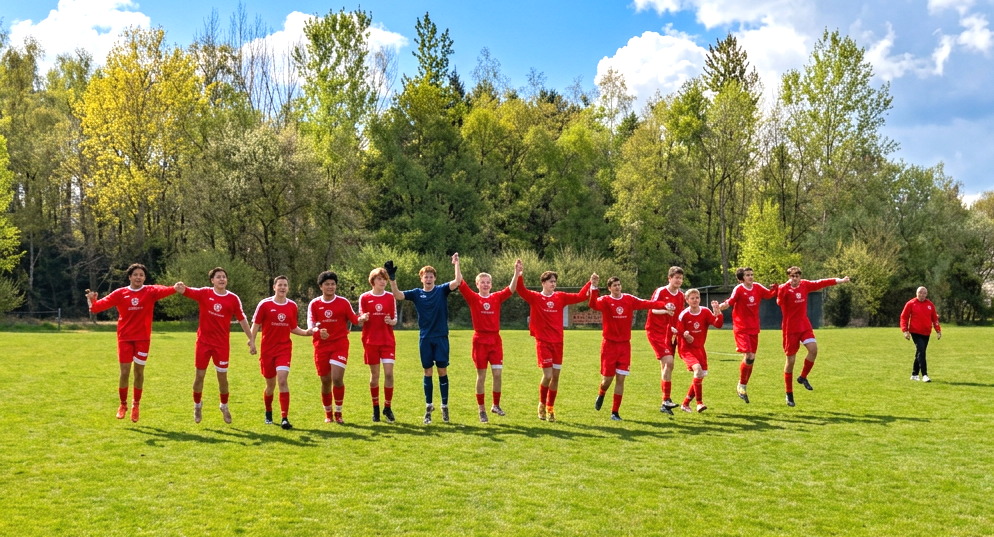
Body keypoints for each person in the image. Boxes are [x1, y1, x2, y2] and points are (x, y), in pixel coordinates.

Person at [86, 263, 177, 423]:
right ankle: (123, 404)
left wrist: (177, 287)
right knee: (124, 372)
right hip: (125, 338)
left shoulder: (150, 291)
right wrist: (91, 300)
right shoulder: (120, 293)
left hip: (143, 339)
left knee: (139, 373)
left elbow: (169, 289)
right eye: (135, 274)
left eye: (141, 275)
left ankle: (136, 405)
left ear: (145, 277)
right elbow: (95, 308)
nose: (138, 277)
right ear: (129, 277)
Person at [514, 259, 593, 422]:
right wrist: (519, 273)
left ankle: (550, 408)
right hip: (543, 342)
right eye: (551, 281)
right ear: (543, 283)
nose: (553, 284)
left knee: (555, 377)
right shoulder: (535, 297)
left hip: (558, 342)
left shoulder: (560, 297)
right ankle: (542, 404)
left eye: (555, 282)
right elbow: (520, 290)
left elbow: (580, 297)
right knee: (548, 375)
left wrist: (590, 283)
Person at [386, 254, 462, 425]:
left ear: (435, 278)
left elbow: (457, 281)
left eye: (430, 276)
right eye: (425, 276)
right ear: (421, 278)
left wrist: (456, 264)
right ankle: (428, 407)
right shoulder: (416, 293)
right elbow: (397, 295)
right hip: (425, 338)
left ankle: (444, 406)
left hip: (441, 337)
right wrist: (392, 278)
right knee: (427, 372)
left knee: (442, 371)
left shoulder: (441, 290)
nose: (428, 279)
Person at [174, 267, 256, 424]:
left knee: (222, 378)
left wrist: (251, 339)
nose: (222, 279)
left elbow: (242, 319)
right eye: (218, 277)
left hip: (221, 346)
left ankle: (224, 406)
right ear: (212, 280)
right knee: (199, 376)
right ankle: (197, 405)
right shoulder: (205, 293)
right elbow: (188, 291)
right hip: (203, 343)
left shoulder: (233, 298)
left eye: (224, 276)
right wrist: (181, 288)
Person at [588, 275, 667, 421]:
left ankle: (615, 412)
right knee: (607, 380)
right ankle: (602, 393)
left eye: (619, 284)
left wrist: (664, 305)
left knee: (621, 379)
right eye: (614, 285)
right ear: (609, 288)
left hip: (625, 345)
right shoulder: (605, 300)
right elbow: (593, 304)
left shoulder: (628, 299)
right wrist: (593, 287)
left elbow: (646, 303)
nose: (617, 287)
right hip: (609, 345)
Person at [777, 267, 850, 407]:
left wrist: (840, 280)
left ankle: (803, 377)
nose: (795, 278)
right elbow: (779, 302)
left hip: (804, 325)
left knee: (813, 350)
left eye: (797, 276)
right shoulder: (783, 288)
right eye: (792, 276)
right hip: (790, 329)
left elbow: (821, 283)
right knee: (791, 361)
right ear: (789, 277)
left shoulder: (805, 285)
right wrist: (781, 291)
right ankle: (789, 393)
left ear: (800, 276)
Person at [250, 276, 315, 429]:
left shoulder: (292, 306)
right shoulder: (264, 304)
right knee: (270, 386)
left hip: (284, 349)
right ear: (274, 287)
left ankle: (284, 418)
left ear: (288, 288)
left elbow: (293, 327)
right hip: (267, 350)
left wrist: (306, 332)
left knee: (282, 381)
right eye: (280, 285)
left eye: (285, 285)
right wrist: (252, 342)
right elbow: (256, 324)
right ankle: (268, 411)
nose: (282, 288)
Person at [307, 271, 368, 424]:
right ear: (320, 286)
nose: (330, 287)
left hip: (339, 344)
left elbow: (354, 319)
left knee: (337, 379)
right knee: (325, 380)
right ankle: (328, 413)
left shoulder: (343, 302)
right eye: (327, 284)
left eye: (333, 284)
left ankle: (338, 413)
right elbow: (311, 325)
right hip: (321, 346)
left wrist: (361, 318)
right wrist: (318, 332)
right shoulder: (314, 304)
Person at [459, 270, 519, 423]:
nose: (485, 285)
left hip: (495, 340)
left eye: (488, 282)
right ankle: (481, 409)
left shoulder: (496, 297)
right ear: (477, 284)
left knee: (497, 374)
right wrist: (457, 264)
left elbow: (511, 289)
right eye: (482, 282)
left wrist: (516, 273)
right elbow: (460, 281)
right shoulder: (473, 298)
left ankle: (495, 405)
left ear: (491, 285)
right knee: (481, 376)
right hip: (480, 340)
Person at [717, 267, 778, 404]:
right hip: (741, 328)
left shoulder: (757, 287)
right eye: (747, 275)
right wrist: (719, 307)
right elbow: (730, 302)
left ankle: (742, 385)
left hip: (754, 328)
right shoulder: (739, 289)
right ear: (742, 278)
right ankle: (741, 385)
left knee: (751, 358)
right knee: (749, 355)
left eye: (751, 274)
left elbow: (768, 295)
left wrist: (776, 289)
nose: (751, 277)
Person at [359, 268, 399, 423]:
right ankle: (375, 408)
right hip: (371, 341)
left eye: (385, 279)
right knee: (374, 376)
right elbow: (360, 317)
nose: (383, 282)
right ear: (373, 281)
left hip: (387, 341)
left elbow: (394, 319)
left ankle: (387, 407)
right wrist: (363, 317)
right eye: (379, 279)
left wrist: (391, 321)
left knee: (389, 374)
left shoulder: (390, 297)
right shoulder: (364, 297)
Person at [673, 289, 723, 413]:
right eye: (692, 298)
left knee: (699, 376)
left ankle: (685, 404)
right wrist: (685, 335)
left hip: (700, 349)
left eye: (697, 298)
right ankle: (699, 403)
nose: (695, 300)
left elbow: (718, 325)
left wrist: (718, 313)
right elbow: (678, 330)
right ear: (687, 300)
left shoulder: (705, 312)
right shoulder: (684, 315)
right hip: (686, 349)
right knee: (698, 370)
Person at [645, 267, 686, 415]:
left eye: (680, 278)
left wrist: (678, 329)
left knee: (666, 366)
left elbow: (679, 315)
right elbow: (652, 309)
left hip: (670, 333)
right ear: (670, 278)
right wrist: (665, 310)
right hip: (655, 332)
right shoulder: (661, 291)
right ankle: (666, 400)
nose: (679, 280)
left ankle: (664, 403)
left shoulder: (681, 296)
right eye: (676, 278)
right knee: (669, 362)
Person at [900, 286, 942, 382]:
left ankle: (914, 374)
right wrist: (905, 331)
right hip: (915, 332)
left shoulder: (930, 304)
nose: (922, 295)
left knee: (919, 352)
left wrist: (938, 331)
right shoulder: (911, 303)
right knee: (922, 352)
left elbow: (934, 318)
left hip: (926, 332)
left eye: (924, 293)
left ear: (926, 294)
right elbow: (904, 317)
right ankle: (925, 375)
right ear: (916, 293)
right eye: (920, 292)